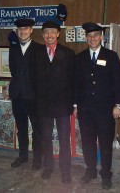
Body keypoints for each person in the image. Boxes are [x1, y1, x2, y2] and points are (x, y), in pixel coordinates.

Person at [74, 22, 120, 189]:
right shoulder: (80, 57)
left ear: (101, 37)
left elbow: (119, 83)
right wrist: (75, 105)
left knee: (105, 144)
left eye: (95, 35)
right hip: (85, 110)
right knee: (87, 143)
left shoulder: (111, 56)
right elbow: (76, 84)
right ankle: (90, 171)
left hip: (105, 110)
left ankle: (106, 175)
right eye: (89, 36)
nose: (92, 38)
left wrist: (119, 105)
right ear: (86, 38)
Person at [34, 20, 75, 183]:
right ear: (42, 35)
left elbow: (74, 80)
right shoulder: (36, 54)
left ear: (58, 34)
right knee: (46, 138)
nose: (49, 35)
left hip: (63, 105)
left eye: (53, 32)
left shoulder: (69, 53)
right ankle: (48, 167)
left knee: (64, 139)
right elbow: (33, 80)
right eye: (46, 32)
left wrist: (74, 103)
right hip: (43, 105)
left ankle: (66, 170)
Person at [9, 18, 42, 170]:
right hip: (17, 95)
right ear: (17, 31)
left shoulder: (39, 49)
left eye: (25, 29)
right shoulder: (13, 48)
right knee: (21, 128)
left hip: (33, 97)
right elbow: (13, 71)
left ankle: (37, 160)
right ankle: (23, 157)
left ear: (31, 30)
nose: (22, 32)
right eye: (20, 30)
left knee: (37, 130)